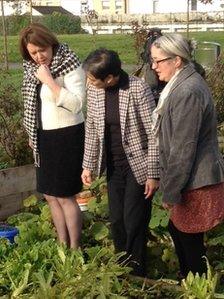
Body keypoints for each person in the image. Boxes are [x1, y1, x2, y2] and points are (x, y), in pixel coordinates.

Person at [150, 33, 224, 278]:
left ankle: (197, 285)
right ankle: (190, 281)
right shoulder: (181, 85)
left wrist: (171, 191)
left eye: (158, 61)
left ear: (177, 60)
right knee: (180, 231)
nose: (153, 66)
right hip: (192, 178)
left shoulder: (187, 91)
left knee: (188, 238)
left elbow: (183, 148)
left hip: (196, 179)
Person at [81, 48, 159, 277]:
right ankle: (120, 269)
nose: (89, 82)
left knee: (133, 220)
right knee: (116, 220)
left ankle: (137, 274)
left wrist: (153, 174)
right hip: (113, 165)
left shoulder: (137, 88)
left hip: (139, 166)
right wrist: (88, 164)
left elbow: (154, 133)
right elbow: (92, 129)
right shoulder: (94, 89)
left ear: (110, 78)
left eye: (93, 78)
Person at [19, 23, 86, 248]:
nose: (39, 56)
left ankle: (75, 249)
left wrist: (49, 81)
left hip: (66, 137)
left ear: (52, 44)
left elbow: (77, 105)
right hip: (44, 137)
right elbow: (34, 105)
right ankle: (62, 245)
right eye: (33, 52)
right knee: (50, 196)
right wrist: (32, 133)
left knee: (65, 196)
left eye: (42, 50)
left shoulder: (70, 64)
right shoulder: (32, 69)